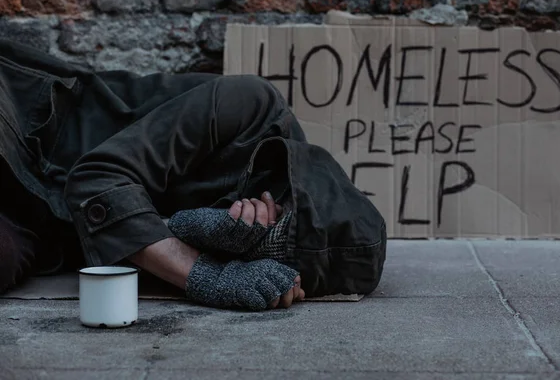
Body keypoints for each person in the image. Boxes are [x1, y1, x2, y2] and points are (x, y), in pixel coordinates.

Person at [0, 38, 387, 311]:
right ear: (286, 188)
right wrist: (202, 273)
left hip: (44, 220)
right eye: (277, 224)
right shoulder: (250, 105)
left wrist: (191, 237)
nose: (259, 225)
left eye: (275, 255)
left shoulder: (246, 248)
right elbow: (95, 180)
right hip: (29, 133)